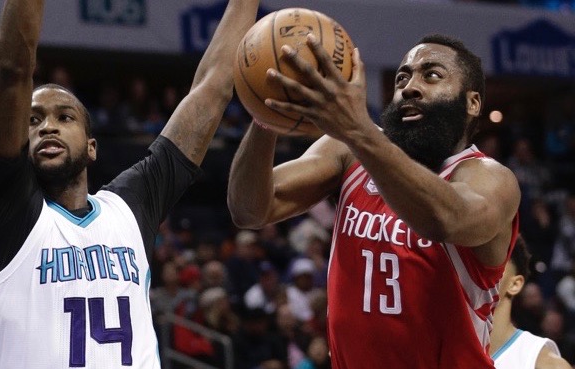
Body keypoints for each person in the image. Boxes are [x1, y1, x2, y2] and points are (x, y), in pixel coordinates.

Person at [0, 0, 259, 368]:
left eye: (64, 116)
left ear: (92, 147)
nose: (47, 126)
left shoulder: (128, 208)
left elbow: (212, 87)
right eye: (32, 120)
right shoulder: (6, 219)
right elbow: (11, 69)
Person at [228, 34, 521, 368]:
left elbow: (446, 219)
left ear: (472, 103)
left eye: (432, 75)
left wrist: (357, 129)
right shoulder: (349, 151)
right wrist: (265, 114)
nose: (410, 87)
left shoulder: (491, 177)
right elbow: (249, 209)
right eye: (402, 77)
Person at [490, 236, 571, 369]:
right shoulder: (447, 350)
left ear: (515, 284)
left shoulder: (544, 364)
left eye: (491, 262)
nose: (478, 275)